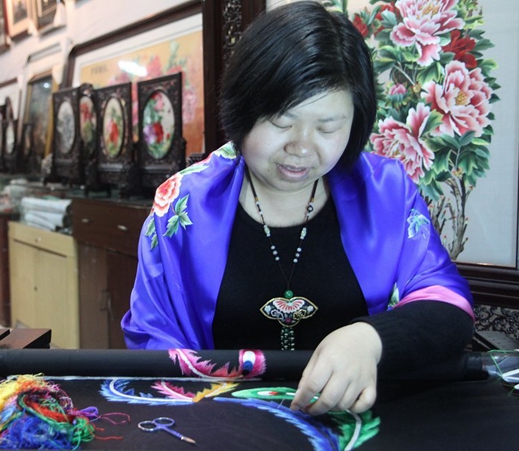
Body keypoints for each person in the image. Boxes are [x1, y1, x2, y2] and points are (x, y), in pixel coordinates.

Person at [121, 0, 475, 416]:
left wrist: (372, 339)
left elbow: (447, 302)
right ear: (243, 109)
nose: (302, 147)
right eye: (282, 122)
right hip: (219, 425)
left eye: (328, 127)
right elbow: (152, 339)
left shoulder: (387, 192)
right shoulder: (182, 207)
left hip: (357, 423)